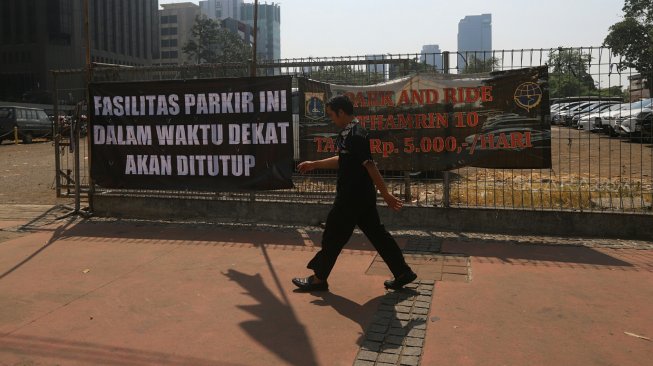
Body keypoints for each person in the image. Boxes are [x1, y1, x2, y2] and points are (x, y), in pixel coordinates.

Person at [292, 95, 417, 292]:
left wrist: (386, 194)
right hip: (361, 197)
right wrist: (314, 164)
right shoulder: (348, 133)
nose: (331, 119)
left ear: (341, 112)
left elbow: (370, 166)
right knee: (378, 235)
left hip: (351, 198)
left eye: (332, 115)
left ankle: (319, 279)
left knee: (333, 235)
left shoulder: (356, 135)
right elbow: (343, 159)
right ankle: (403, 272)